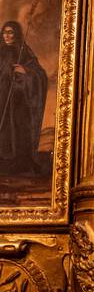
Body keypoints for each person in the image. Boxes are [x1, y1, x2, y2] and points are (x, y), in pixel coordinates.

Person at [0, 19, 48, 177]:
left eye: (10, 32)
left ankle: (18, 163)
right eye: (4, 32)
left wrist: (25, 70)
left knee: (18, 131)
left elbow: (40, 74)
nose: (7, 36)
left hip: (19, 102)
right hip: (1, 100)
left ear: (16, 34)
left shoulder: (23, 51)